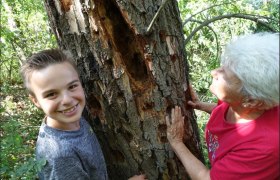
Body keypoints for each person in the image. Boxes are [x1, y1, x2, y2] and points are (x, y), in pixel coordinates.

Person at [166, 32, 279, 179]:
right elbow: (236, 114)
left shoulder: (263, 148)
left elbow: (207, 178)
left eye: (224, 75)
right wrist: (203, 106)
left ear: (251, 101)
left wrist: (177, 143)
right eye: (222, 67)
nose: (214, 72)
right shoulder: (241, 101)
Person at [21, 49, 146, 180]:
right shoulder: (61, 156)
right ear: (35, 101)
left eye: (72, 86)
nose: (67, 100)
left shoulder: (71, 118)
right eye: (51, 94)